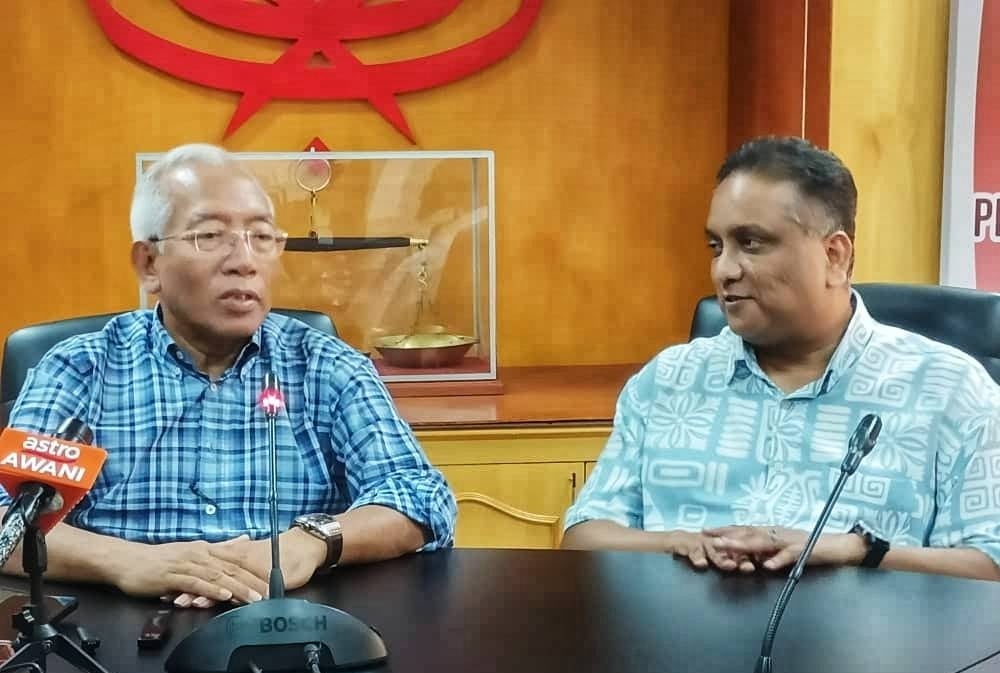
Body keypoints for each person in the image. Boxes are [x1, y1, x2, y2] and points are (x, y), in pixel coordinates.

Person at [1, 144, 456, 607]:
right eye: (211, 235)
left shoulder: (327, 367)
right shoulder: (80, 369)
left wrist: (311, 542)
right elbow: (5, 523)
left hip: (290, 628)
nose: (245, 260)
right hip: (119, 634)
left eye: (262, 236)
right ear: (149, 264)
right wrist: (130, 563)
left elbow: (421, 498)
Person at [561, 136, 1000, 581]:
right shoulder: (669, 380)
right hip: (677, 643)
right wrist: (680, 542)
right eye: (717, 246)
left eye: (751, 243)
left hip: (869, 647)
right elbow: (584, 536)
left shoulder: (949, 389)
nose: (723, 270)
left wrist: (851, 550)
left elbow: (991, 563)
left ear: (834, 255)